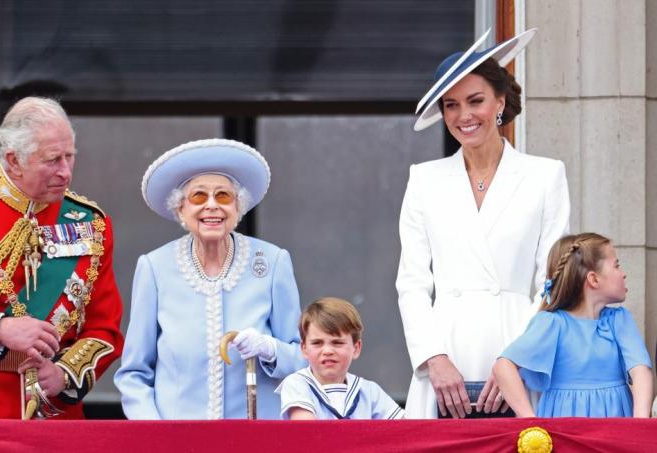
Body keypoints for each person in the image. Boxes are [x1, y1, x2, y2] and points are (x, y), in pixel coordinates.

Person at [396, 28, 571, 419]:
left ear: (500, 102)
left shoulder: (545, 175)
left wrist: (517, 358)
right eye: (451, 105)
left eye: (475, 101)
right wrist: (433, 358)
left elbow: (553, 278)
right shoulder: (424, 179)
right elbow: (412, 281)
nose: (464, 116)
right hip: (445, 353)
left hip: (517, 343)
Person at [114, 139, 305, 419]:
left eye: (224, 196)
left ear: (238, 207)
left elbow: (302, 359)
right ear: (180, 209)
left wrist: (271, 350)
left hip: (257, 438)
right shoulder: (154, 268)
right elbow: (134, 373)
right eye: (199, 197)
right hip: (177, 442)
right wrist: (154, 434)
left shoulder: (273, 261)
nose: (212, 206)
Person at [0, 96, 124, 419]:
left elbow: (105, 329)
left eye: (70, 157)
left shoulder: (91, 224)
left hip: (54, 416)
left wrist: (64, 375)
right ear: (13, 160)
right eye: (52, 160)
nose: (66, 172)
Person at [494, 233, 653, 417]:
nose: (623, 273)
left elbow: (641, 370)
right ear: (594, 279)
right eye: (616, 265)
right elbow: (503, 366)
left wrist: (640, 422)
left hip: (614, 427)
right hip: (564, 429)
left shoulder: (619, 320)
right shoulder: (551, 323)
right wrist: (528, 419)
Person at [277, 297, 404, 420]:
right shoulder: (296, 384)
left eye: (337, 343)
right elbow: (308, 432)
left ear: (356, 348)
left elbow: (404, 429)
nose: (327, 351)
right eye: (317, 343)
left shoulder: (369, 391)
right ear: (304, 348)